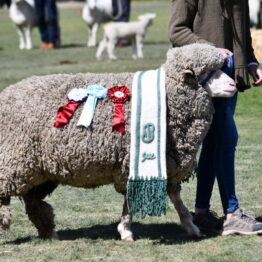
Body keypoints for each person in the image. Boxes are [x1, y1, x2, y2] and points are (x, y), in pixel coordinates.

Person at [168, 0, 262, 235]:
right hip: (207, 78)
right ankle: (232, 214)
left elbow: (241, 29)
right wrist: (209, 49)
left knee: (214, 144)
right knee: (227, 139)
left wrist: (250, 60)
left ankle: (201, 213)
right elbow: (177, 31)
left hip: (230, 75)